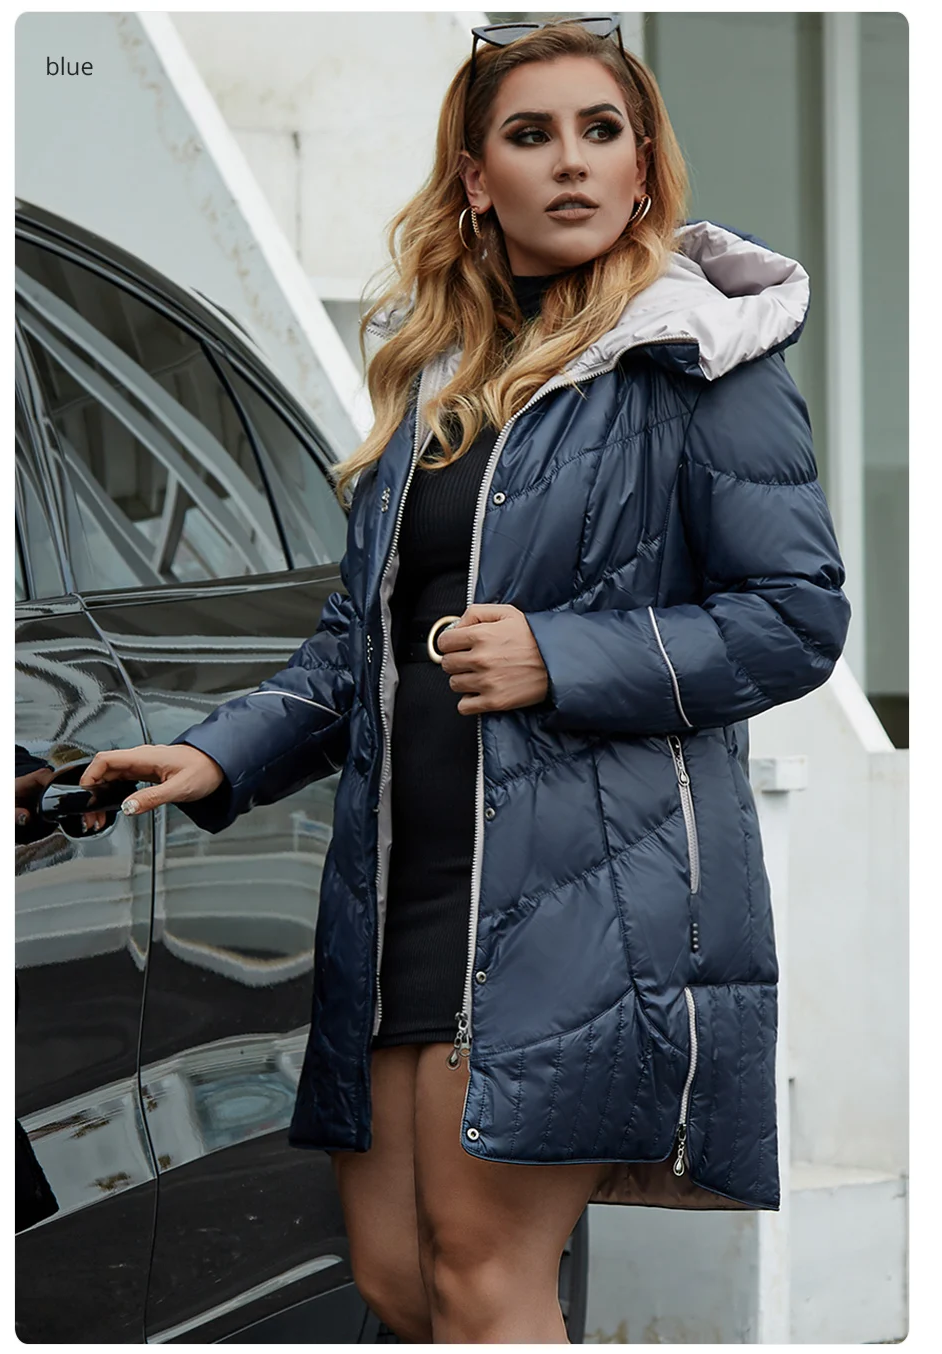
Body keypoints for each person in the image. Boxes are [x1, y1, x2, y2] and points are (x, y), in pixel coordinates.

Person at [78, 16, 851, 1344]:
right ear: (477, 177)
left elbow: (796, 618)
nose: (572, 161)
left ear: (645, 165)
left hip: (585, 887)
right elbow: (359, 646)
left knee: (488, 1277)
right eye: (531, 135)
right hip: (405, 888)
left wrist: (562, 655)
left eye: (601, 131)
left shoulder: (701, 361)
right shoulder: (439, 381)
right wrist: (219, 754)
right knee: (401, 1279)